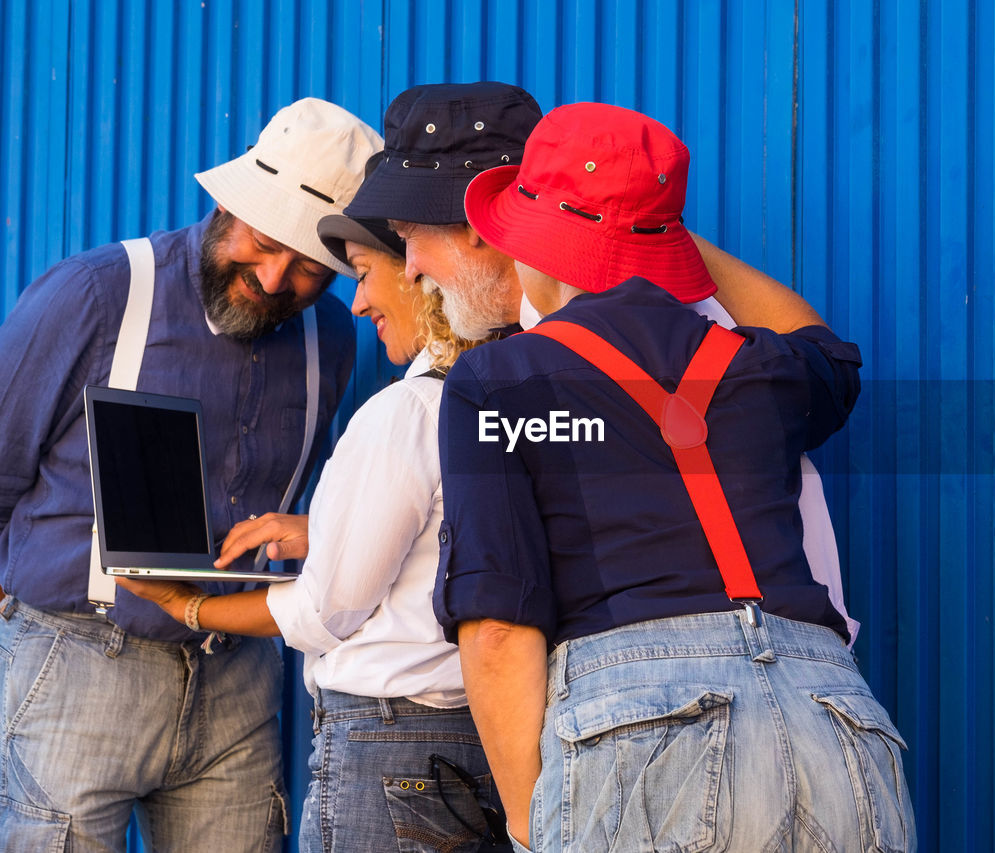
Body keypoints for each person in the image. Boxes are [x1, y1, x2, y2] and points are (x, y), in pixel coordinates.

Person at [435, 103, 917, 851]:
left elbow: (498, 625)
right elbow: (819, 342)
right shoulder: (759, 367)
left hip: (644, 733)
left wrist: (533, 824)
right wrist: (653, 226)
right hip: (837, 721)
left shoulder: (497, 381)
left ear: (538, 243)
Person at [345, 81, 861, 643]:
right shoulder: (720, 335)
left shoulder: (504, 381)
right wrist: (642, 223)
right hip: (811, 679)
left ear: (479, 224)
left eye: (408, 237)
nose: (410, 268)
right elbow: (825, 356)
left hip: (623, 708)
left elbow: (497, 625)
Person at [0, 98, 380, 852]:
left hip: (236, 676)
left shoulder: (330, 339)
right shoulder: (95, 295)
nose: (275, 279)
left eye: (310, 268)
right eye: (264, 242)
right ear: (226, 204)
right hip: (81, 659)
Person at [118, 209, 510, 853]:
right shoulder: (510, 400)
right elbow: (456, 535)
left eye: (362, 275)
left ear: (420, 274)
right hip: (474, 730)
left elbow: (326, 612)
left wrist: (186, 606)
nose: (356, 305)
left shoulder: (405, 411)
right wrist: (326, 528)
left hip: (393, 743)